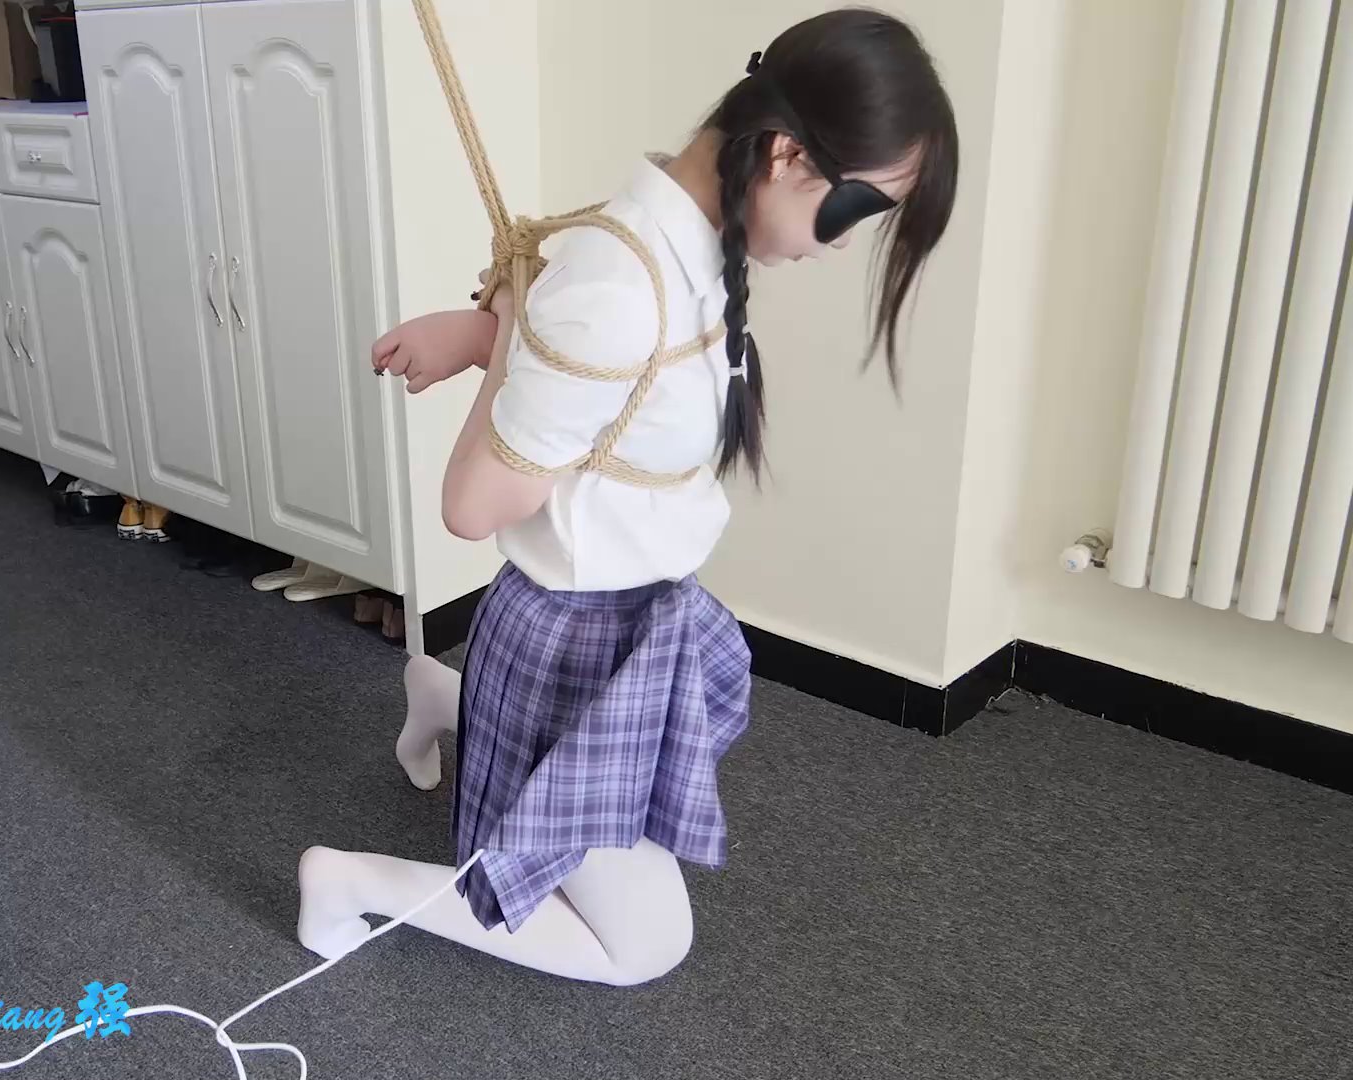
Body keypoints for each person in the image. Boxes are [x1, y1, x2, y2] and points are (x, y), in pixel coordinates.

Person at [296, 8, 959, 986]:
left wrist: (490, 336)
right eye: (858, 211)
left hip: (624, 617)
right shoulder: (627, 284)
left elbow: (597, 387)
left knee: (618, 854)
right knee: (645, 945)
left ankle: (442, 697)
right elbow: (472, 506)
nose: (838, 246)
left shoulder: (682, 245)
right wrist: (504, 332)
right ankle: (350, 881)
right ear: (787, 156)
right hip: (571, 637)